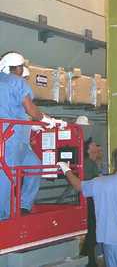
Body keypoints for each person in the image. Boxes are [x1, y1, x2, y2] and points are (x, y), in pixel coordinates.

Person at [58, 147, 117, 267]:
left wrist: (66, 169)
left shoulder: (99, 183)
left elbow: (78, 186)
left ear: (112, 163)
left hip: (110, 239)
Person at [0, 52, 64, 219]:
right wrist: (46, 120)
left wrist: (33, 126)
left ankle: (23, 205)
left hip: (16, 138)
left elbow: (15, 111)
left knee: (34, 166)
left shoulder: (4, 83)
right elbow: (30, 109)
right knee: (8, 176)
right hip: (10, 138)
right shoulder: (16, 82)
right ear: (18, 69)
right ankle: (3, 216)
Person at [80, 137, 102, 267]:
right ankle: (90, 261)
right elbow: (90, 183)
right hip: (90, 201)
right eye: (94, 145)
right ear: (89, 150)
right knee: (92, 231)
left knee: (92, 231)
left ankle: (86, 256)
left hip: (92, 200)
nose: (97, 147)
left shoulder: (92, 163)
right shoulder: (89, 164)